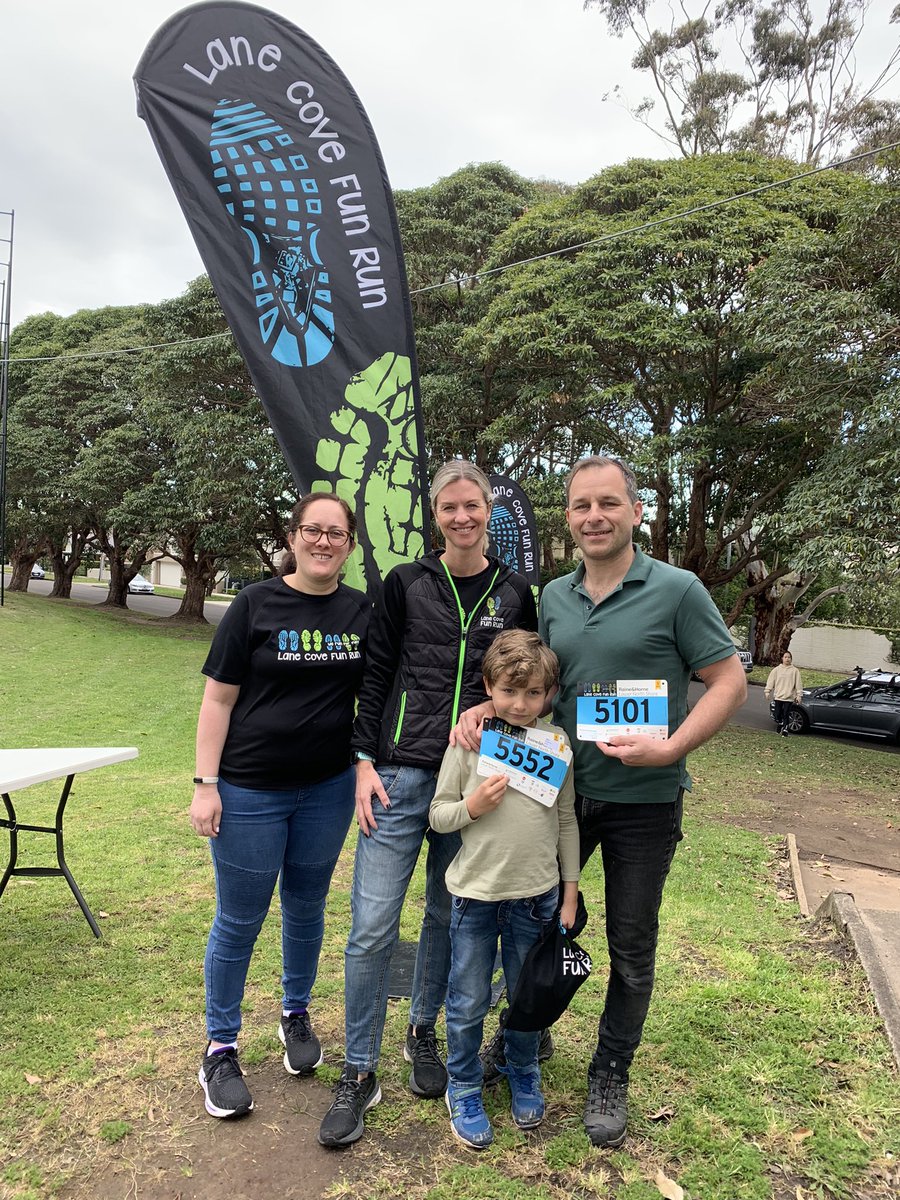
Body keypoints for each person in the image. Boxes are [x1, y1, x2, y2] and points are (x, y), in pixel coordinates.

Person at [456, 456, 746, 1149]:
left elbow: (730, 679)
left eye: (608, 503)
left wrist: (674, 747)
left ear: (636, 511)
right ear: (568, 518)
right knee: (533, 928)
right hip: (555, 798)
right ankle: (520, 1036)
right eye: (582, 505)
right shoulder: (552, 596)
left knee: (631, 947)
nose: (595, 516)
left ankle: (610, 1069)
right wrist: (478, 714)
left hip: (644, 804)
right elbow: (523, 678)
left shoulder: (677, 590)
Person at [317, 460, 538, 1148]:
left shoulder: (513, 591)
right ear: (435, 513)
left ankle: (421, 1033)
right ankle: (358, 1069)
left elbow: (519, 682)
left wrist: (484, 708)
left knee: (446, 917)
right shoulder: (406, 582)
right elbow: (375, 674)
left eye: (473, 506)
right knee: (372, 926)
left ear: (487, 511)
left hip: (472, 784)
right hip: (398, 776)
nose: (462, 517)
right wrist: (361, 760)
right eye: (450, 508)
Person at [191, 493, 369, 1119]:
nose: (323, 542)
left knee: (306, 908)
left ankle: (295, 1016)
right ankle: (220, 1046)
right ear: (294, 537)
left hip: (325, 791)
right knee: (239, 920)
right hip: (249, 790)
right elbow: (218, 701)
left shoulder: (361, 612)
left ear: (350, 544)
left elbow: (379, 695)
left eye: (336, 533)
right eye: (312, 531)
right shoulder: (255, 604)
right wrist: (205, 782)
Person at [429, 630, 579, 1150]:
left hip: (535, 897)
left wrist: (571, 889)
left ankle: (523, 1070)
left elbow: (566, 821)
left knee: (525, 998)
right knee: (468, 999)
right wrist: (472, 807)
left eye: (534, 693)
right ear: (488, 686)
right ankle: (465, 1084)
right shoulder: (469, 742)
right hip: (474, 896)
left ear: (549, 695)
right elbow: (439, 814)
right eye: (510, 692)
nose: (520, 704)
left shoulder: (556, 744)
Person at [765, 651, 804, 736]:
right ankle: (781, 723)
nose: (787, 659)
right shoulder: (776, 670)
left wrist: (799, 695)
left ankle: (785, 729)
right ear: (782, 658)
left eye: (789, 657)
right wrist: (767, 691)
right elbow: (770, 682)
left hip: (789, 697)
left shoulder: (795, 671)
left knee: (786, 713)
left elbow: (798, 684)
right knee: (777, 714)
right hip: (778, 696)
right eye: (785, 657)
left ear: (791, 659)